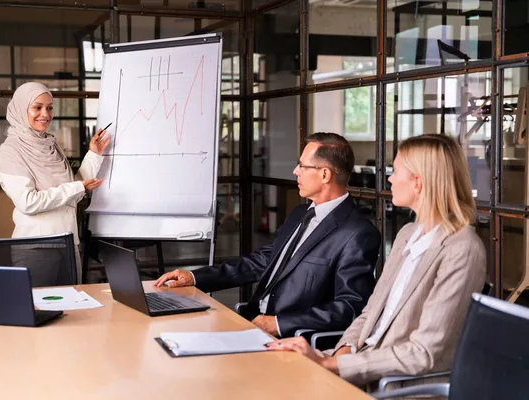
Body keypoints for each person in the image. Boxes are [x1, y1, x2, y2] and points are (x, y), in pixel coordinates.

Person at [267, 134, 487, 388]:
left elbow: (422, 353)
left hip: (397, 387)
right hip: (361, 367)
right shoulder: (407, 235)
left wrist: (333, 365)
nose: (389, 178)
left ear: (418, 182)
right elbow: (370, 313)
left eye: (396, 171)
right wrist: (341, 353)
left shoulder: (462, 249)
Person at [155, 132, 380, 338]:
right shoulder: (300, 214)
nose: (295, 171)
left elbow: (351, 306)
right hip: (250, 324)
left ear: (324, 174)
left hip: (289, 338)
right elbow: (261, 262)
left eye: (302, 166)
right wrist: (195, 278)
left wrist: (279, 323)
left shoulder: (357, 233)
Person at [0, 82, 110, 285]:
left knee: (73, 312)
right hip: (37, 248)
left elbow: (71, 189)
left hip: (68, 242)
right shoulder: (10, 151)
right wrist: (78, 187)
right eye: (37, 107)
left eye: (49, 107)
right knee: (40, 312)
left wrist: (93, 154)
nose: (45, 114)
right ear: (22, 108)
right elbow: (28, 202)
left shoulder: (50, 144)